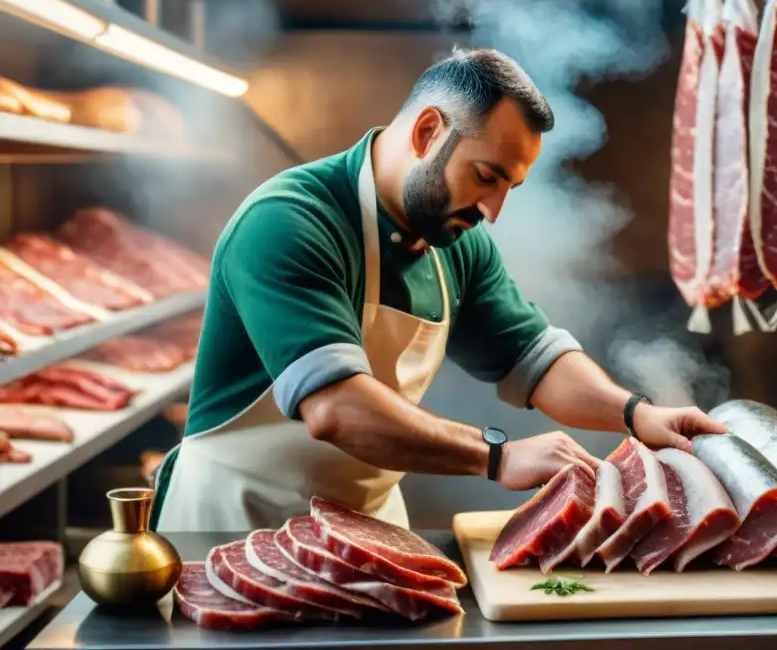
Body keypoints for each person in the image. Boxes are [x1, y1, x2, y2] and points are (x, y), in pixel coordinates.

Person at [150, 47, 726, 533]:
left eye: (510, 187)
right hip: (232, 524)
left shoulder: (456, 242)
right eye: (486, 177)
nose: (494, 210)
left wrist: (637, 413)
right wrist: (496, 455)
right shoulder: (290, 221)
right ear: (428, 131)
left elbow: (536, 359)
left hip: (361, 525)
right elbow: (335, 409)